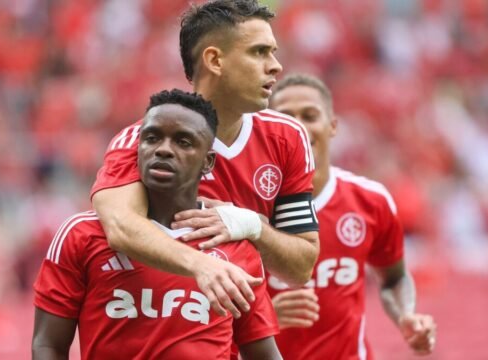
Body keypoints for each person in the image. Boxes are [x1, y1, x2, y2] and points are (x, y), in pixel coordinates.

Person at [91, 0, 319, 320]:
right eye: (259, 52)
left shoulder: (288, 138)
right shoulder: (141, 142)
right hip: (155, 331)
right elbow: (120, 227)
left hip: (235, 339)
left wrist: (251, 225)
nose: (276, 65)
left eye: (274, 52)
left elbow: (302, 266)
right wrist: (203, 265)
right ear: (214, 60)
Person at [32, 89, 282, 360]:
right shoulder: (82, 233)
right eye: (151, 138)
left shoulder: (235, 248)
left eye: (183, 142)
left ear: (207, 162)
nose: (163, 149)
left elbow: (263, 354)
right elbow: (48, 345)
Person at [267, 74, 437, 359]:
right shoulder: (246, 206)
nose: (298, 127)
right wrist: (265, 317)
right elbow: (202, 307)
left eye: (310, 115)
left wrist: (405, 314)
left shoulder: (370, 200)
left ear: (332, 126)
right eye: (286, 117)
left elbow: (394, 278)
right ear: (268, 128)